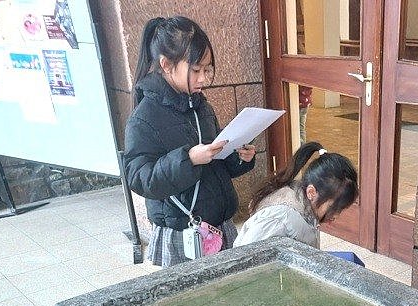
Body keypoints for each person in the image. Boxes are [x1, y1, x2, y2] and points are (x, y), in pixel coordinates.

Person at [124, 16, 256, 267]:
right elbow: (140, 178)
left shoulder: (200, 107)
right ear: (166, 64)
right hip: (183, 232)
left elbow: (216, 161)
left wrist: (239, 157)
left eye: (207, 69)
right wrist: (189, 159)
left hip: (218, 226)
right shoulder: (144, 118)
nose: (204, 78)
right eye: (196, 70)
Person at [233, 142, 357, 248]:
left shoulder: (306, 206)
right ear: (311, 192)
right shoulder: (278, 220)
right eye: (334, 207)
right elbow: (247, 260)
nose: (336, 215)